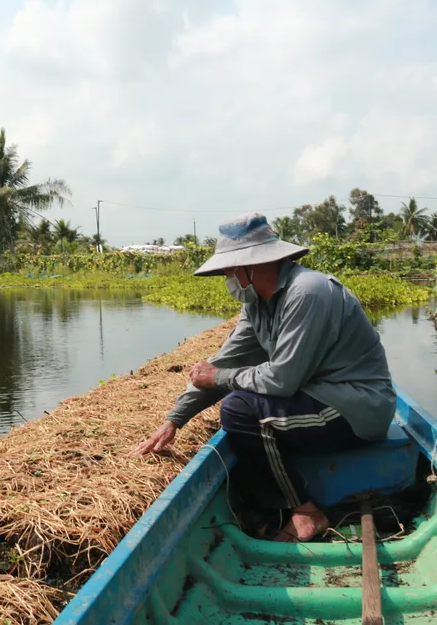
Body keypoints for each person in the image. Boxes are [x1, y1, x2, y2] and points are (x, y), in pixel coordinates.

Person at [134, 213, 396, 543]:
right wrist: (175, 419)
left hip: (357, 406)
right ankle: (272, 506)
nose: (228, 278)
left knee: (240, 410)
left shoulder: (307, 294)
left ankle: (305, 512)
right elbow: (226, 361)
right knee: (240, 408)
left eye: (230, 270)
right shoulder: (258, 304)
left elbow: (281, 379)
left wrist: (220, 377)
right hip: (320, 397)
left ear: (251, 267)